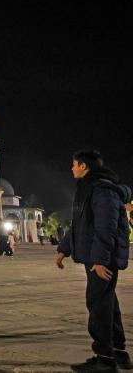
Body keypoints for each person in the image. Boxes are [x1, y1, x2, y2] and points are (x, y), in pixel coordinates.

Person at [56, 150, 132, 372]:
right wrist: (63, 249)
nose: (71, 168)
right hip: (96, 256)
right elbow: (81, 224)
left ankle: (105, 360)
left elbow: (105, 227)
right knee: (108, 303)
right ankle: (118, 353)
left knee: (98, 304)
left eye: (74, 165)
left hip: (99, 259)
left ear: (83, 166)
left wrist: (99, 260)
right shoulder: (89, 188)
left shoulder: (101, 190)